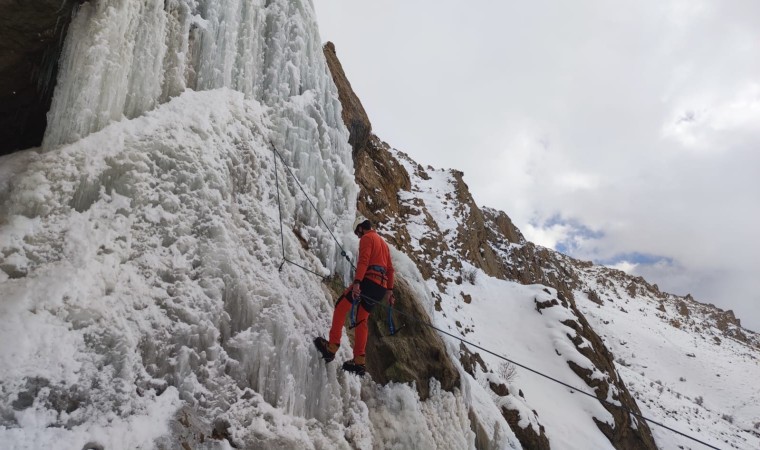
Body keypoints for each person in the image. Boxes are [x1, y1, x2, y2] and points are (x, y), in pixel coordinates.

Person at [314, 216, 395, 375]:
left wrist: (357, 282)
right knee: (361, 319)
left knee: (340, 306)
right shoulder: (384, 245)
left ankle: (332, 347)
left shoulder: (367, 238)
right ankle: (359, 360)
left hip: (368, 282)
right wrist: (390, 291)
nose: (358, 237)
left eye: (358, 233)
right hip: (380, 288)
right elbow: (390, 270)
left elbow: (364, 261)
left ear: (361, 229)